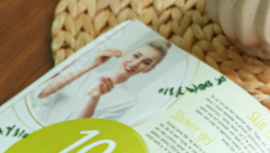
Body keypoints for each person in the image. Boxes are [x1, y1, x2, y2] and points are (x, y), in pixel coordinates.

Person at [28, 39, 172, 126]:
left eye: (145, 62)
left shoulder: (128, 99)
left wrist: (95, 98)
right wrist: (92, 65)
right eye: (135, 55)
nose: (135, 63)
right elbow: (43, 94)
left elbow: (80, 129)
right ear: (127, 53)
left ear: (149, 69)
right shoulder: (84, 74)